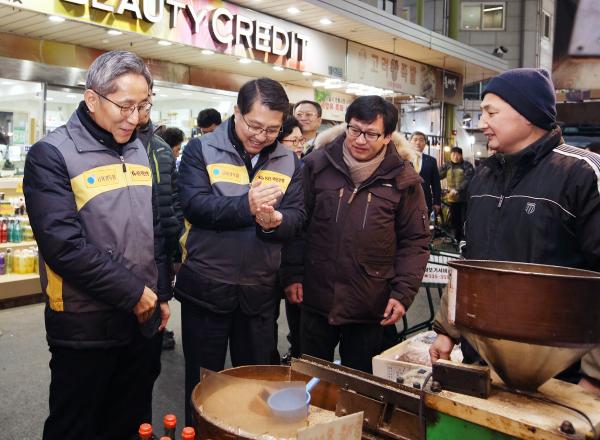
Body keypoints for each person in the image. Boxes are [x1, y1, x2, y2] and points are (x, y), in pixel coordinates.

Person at [23, 50, 172, 440]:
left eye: (143, 106)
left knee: (130, 420)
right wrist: (135, 293)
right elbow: (64, 247)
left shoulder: (140, 146)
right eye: (125, 106)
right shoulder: (51, 154)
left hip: (140, 317)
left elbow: (154, 226)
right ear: (92, 99)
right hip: (83, 322)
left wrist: (161, 292)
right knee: (76, 425)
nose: (135, 117)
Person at [429, 68, 600, 395]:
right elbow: (469, 263)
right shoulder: (482, 178)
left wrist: (594, 376)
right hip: (481, 363)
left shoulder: (581, 174)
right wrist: (447, 331)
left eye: (491, 112)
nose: (482, 123)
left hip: (561, 375)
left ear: (529, 115)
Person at [176, 77, 305, 424]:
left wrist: (275, 221)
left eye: (273, 130)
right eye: (255, 125)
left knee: (256, 384)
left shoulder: (290, 161)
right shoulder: (200, 150)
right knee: (204, 386)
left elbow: (299, 218)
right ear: (236, 112)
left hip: (259, 293)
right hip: (207, 287)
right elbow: (194, 205)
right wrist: (245, 207)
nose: (261, 136)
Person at [282, 95, 430, 373]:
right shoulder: (317, 165)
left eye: (371, 133)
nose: (360, 140)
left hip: (370, 303)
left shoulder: (403, 180)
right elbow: (298, 225)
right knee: (312, 378)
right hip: (315, 297)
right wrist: (292, 274)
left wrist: (402, 293)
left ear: (387, 136)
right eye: (354, 130)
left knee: (361, 386)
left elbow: (415, 242)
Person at [138, 98, 184, 352]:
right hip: (126, 260)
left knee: (146, 361)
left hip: (161, 254)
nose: (140, 110)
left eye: (146, 103)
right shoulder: (112, 148)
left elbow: (175, 201)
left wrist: (177, 247)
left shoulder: (162, 150)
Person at [438, 146, 474, 241]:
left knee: (464, 220)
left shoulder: (467, 165)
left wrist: (457, 189)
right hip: (452, 199)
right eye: (453, 154)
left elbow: (468, 180)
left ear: (461, 155)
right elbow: (438, 175)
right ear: (450, 155)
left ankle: (466, 239)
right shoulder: (447, 165)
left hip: (465, 198)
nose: (455, 156)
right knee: (454, 221)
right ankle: (457, 240)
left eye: (458, 154)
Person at [410, 131, 442, 216]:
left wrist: (437, 202)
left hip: (425, 200)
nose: (418, 142)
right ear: (410, 142)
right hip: (406, 199)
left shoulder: (431, 161)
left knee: (424, 226)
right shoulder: (403, 158)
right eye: (415, 139)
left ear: (425, 143)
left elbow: (436, 184)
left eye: (421, 140)